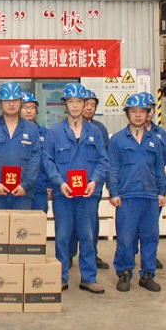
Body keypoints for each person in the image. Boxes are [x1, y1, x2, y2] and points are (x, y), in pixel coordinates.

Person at [43, 82, 108, 294]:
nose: (75, 105)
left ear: (85, 104)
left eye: (79, 101)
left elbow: (102, 161)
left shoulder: (95, 132)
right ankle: (61, 277)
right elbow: (48, 161)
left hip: (87, 195)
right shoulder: (55, 132)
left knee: (88, 236)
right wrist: (59, 183)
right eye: (71, 101)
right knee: (62, 237)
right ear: (65, 104)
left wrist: (94, 181)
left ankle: (88, 278)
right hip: (64, 194)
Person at [107, 94, 166, 293]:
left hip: (150, 196)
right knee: (125, 238)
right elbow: (112, 168)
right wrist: (113, 192)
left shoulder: (155, 140)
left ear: (149, 114)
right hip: (127, 196)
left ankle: (148, 275)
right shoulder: (117, 140)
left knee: (150, 237)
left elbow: (159, 168)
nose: (138, 115)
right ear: (127, 114)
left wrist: (162, 191)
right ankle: (124, 273)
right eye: (134, 111)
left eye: (142, 111)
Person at [0, 83, 41, 210]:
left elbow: (35, 159)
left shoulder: (31, 129)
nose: (11, 104)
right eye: (7, 100)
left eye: (15, 100)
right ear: (0, 103)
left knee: (21, 224)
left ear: (20, 102)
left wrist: (26, 185)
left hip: (23, 193)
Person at [70, 89, 110, 270]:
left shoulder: (99, 130)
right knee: (70, 225)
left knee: (90, 225)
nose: (89, 108)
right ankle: (69, 255)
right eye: (86, 104)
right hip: (69, 187)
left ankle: (91, 256)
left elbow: (104, 158)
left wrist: (96, 181)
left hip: (92, 186)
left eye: (93, 105)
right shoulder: (63, 129)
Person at [141, 91, 166, 269]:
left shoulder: (160, 134)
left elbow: (164, 160)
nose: (147, 112)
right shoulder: (124, 136)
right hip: (133, 187)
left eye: (150, 109)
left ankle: (150, 258)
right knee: (130, 231)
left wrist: (161, 189)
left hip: (153, 186)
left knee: (151, 228)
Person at [20, 92, 52, 213]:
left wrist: (50, 185)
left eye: (32, 107)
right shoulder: (14, 133)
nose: (29, 111)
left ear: (37, 110)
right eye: (25, 107)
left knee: (38, 223)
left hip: (40, 188)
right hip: (19, 188)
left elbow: (50, 161)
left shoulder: (46, 134)